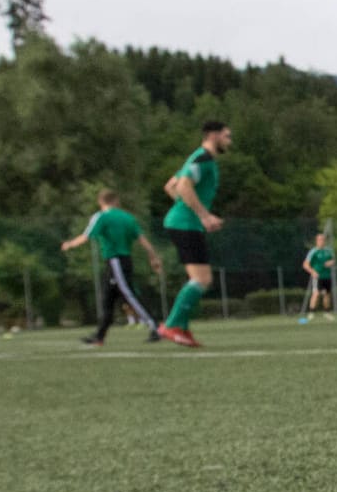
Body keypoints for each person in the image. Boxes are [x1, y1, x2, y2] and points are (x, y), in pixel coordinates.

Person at [158, 121, 231, 347]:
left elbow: (171, 186)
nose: (229, 141)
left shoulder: (197, 158)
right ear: (213, 135)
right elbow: (182, 187)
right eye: (226, 136)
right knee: (202, 279)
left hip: (184, 222)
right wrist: (203, 215)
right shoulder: (203, 159)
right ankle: (171, 325)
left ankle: (182, 328)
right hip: (186, 225)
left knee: (198, 279)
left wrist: (189, 210)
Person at [62, 190, 163, 346]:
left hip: (115, 260)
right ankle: (100, 335)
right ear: (116, 201)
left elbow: (86, 236)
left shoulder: (102, 216)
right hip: (123, 261)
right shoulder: (128, 217)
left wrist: (69, 244)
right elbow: (142, 240)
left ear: (101, 202)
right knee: (107, 299)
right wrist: (153, 257)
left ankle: (156, 326)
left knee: (129, 295)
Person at [300, 233, 336, 322]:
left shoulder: (329, 250)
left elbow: (333, 260)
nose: (322, 241)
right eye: (320, 239)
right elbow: (305, 265)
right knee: (316, 294)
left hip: (327, 276)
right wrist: (313, 272)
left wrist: (331, 263)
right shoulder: (313, 251)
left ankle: (327, 313)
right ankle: (311, 313)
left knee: (327, 294)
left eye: (323, 239)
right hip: (317, 277)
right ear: (317, 241)